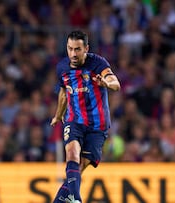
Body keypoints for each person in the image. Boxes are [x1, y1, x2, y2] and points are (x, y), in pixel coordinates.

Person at [50, 30, 120, 203]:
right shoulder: (62, 68)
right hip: (75, 120)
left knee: (78, 170)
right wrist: (58, 115)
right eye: (70, 49)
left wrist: (106, 83)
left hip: (98, 126)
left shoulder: (97, 63)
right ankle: (77, 199)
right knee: (72, 154)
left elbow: (116, 84)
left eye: (77, 49)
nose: (73, 54)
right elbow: (64, 92)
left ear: (86, 49)